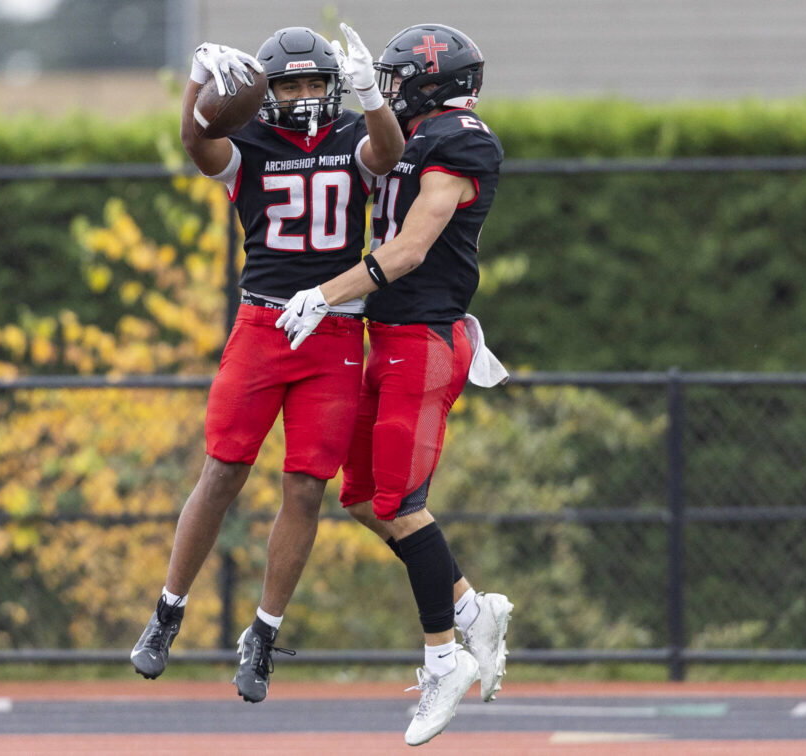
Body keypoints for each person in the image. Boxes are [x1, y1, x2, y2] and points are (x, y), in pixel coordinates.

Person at [130, 24, 405, 703]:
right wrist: (197, 82)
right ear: (266, 92)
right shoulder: (249, 142)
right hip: (263, 324)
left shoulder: (350, 137)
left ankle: (263, 631)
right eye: (291, 84)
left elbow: (389, 150)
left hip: (336, 328)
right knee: (223, 470)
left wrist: (372, 95)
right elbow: (196, 142)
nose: (307, 95)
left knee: (307, 485)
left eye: (317, 82)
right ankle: (168, 611)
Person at [275, 23, 513, 745]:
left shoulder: (461, 141)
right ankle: (475, 611)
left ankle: (443, 657)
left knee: (400, 502)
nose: (394, 91)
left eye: (402, 80)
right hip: (386, 336)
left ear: (435, 83)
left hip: (425, 337)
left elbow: (408, 250)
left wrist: (325, 292)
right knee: (356, 494)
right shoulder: (412, 133)